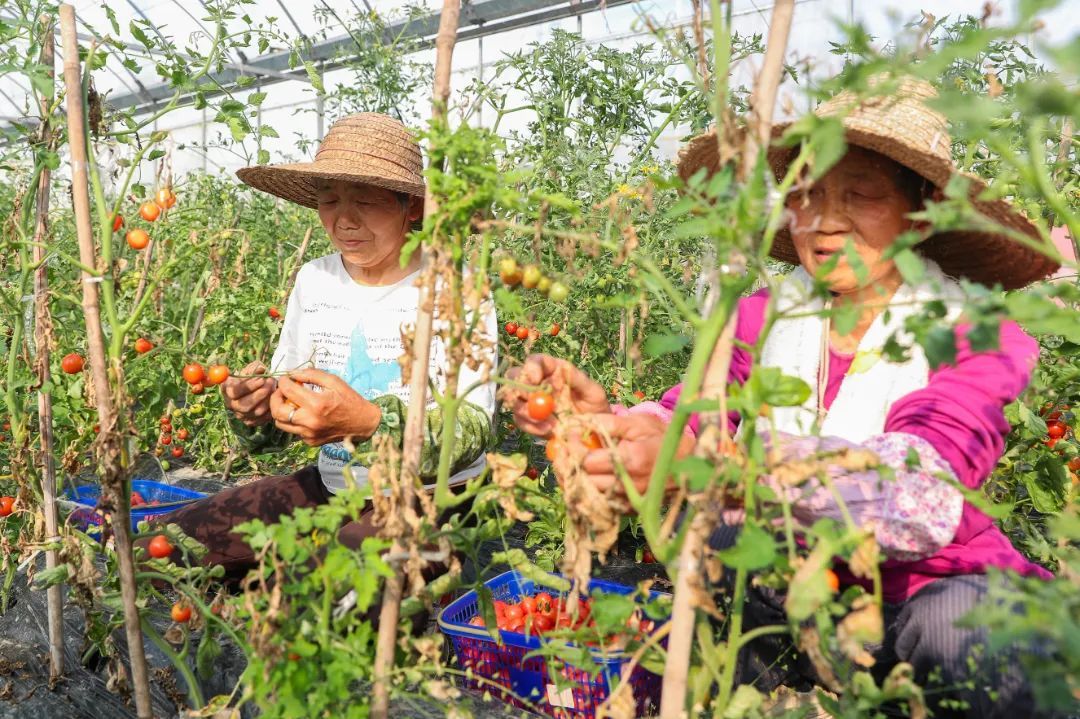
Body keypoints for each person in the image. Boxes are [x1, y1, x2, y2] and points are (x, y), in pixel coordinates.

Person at [506, 77, 1062, 717]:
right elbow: (694, 412)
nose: (824, 220)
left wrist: (721, 468)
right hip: (793, 580)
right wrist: (607, 426)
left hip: (924, 589)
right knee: (704, 535)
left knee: (967, 630)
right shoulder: (767, 316)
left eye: (861, 193)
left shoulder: (974, 333)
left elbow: (920, 488)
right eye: (805, 192)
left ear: (923, 211)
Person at [144, 112, 497, 583]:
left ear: (411, 207)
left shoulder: (454, 284)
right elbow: (281, 419)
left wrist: (371, 423)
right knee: (160, 547)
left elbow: (473, 429)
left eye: (366, 202)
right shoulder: (315, 280)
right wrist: (256, 409)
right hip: (334, 488)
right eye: (329, 200)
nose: (343, 220)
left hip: (435, 496)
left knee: (325, 594)